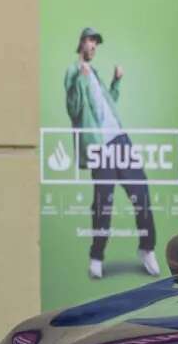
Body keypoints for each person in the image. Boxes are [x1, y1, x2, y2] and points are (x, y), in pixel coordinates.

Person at [64, 26, 158, 279]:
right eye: (90, 41)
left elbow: (108, 105)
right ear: (81, 42)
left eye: (96, 42)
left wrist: (116, 80)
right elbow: (73, 109)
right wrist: (80, 78)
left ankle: (147, 248)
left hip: (120, 140)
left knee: (141, 191)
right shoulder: (75, 72)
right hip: (99, 146)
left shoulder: (93, 72)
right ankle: (96, 255)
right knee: (103, 203)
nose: (94, 45)